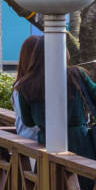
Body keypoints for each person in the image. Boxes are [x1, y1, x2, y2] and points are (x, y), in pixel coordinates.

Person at [16, 36, 96, 166]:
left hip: (46, 145)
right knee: (82, 184)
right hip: (80, 145)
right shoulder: (76, 74)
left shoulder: (25, 84)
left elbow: (28, 122)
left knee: (49, 183)